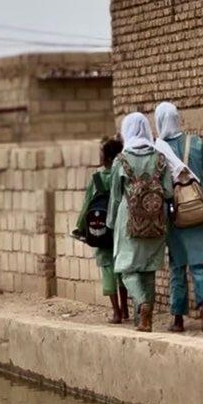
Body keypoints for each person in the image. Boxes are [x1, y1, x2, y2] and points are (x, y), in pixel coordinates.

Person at [154, 102, 203, 333]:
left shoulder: (158, 150)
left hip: (175, 215)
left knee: (177, 267)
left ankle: (178, 319)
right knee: (198, 264)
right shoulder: (197, 143)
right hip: (201, 211)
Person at [107, 113, 173, 332]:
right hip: (155, 219)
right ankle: (145, 321)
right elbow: (169, 191)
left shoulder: (121, 160)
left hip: (129, 220)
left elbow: (116, 196)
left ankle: (143, 305)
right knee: (148, 271)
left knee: (126, 269)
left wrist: (110, 223)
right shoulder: (160, 158)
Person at [80, 137, 130, 324]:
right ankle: (125, 310)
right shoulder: (123, 174)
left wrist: (81, 228)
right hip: (119, 230)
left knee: (108, 272)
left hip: (101, 233)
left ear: (107, 158)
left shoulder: (97, 179)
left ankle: (116, 313)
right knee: (122, 271)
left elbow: (87, 205)